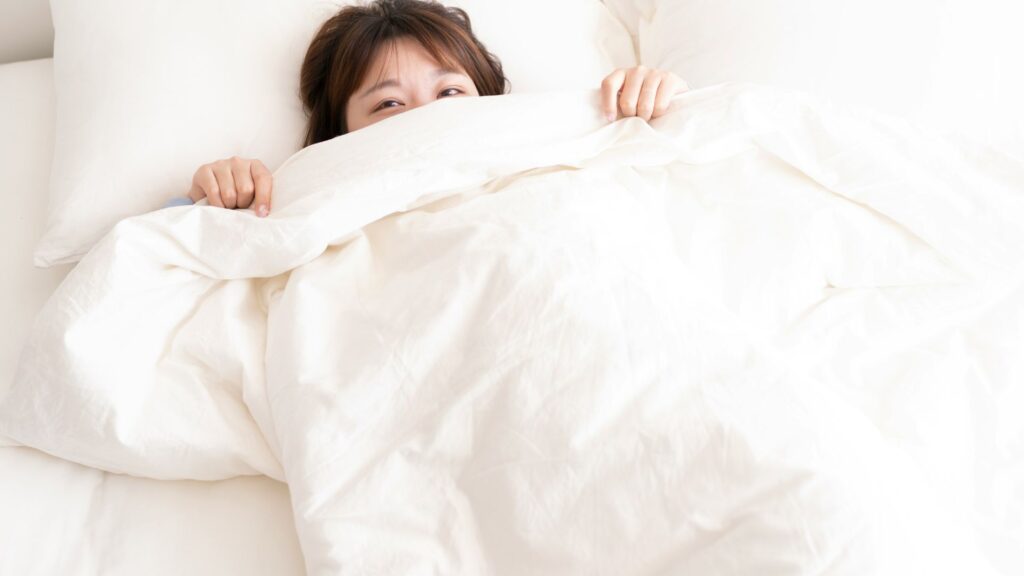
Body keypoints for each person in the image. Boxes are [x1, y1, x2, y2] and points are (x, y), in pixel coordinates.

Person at [167, 0, 688, 216]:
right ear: (339, 134)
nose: (427, 117)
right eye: (389, 102)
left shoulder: (546, 143)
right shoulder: (306, 189)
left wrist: (656, 100)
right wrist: (217, 197)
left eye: (450, 93)